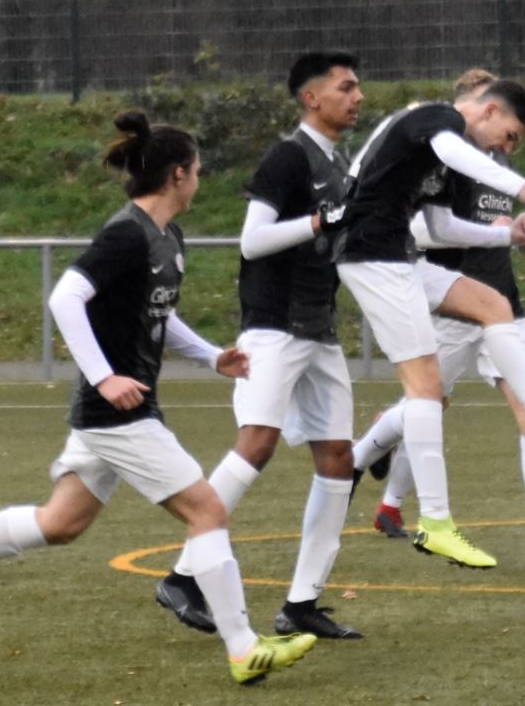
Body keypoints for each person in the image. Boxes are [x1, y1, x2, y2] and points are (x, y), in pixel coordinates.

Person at [0, 111, 317, 686]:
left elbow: (158, 313)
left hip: (117, 411)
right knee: (208, 511)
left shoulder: (168, 237)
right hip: (119, 413)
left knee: (60, 523)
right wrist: (103, 377)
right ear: (178, 174)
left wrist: (211, 356)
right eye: (197, 170)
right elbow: (65, 298)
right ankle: (243, 648)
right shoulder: (126, 234)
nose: (200, 180)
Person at [333, 77, 525, 568]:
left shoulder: (447, 161)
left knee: (493, 305)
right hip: (368, 258)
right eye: (509, 136)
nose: (505, 149)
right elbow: (451, 151)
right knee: (426, 392)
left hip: (399, 260)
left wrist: (509, 236)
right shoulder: (438, 119)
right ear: (489, 111)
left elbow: (442, 228)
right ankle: (432, 521)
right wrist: (517, 186)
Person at [155, 52, 365, 640]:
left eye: (358, 88)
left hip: (319, 327)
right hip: (274, 324)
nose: (357, 97)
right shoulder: (287, 156)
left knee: (338, 459)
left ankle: (302, 603)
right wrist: (320, 223)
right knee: (257, 442)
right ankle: (182, 576)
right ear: (311, 98)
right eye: (346, 87)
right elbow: (252, 242)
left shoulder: (339, 162)